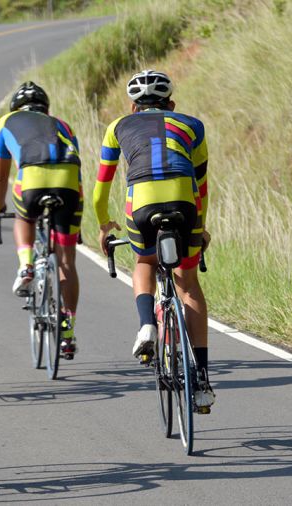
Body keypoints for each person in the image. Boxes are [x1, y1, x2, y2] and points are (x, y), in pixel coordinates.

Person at [94, 70, 215, 410]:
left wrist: (104, 225)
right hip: (183, 201)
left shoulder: (117, 126)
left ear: (133, 107)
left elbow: (101, 187)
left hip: (142, 202)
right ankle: (202, 380)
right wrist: (201, 227)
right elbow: (202, 186)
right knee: (187, 284)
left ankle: (147, 324)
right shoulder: (193, 125)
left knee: (145, 261)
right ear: (172, 104)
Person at [0, 81, 83, 358]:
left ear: (15, 108)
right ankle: (67, 333)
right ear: (46, 108)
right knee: (67, 261)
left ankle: (27, 266)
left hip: (31, 180)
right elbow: (77, 168)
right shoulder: (63, 125)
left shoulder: (5, 122)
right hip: (68, 183)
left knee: (24, 217)